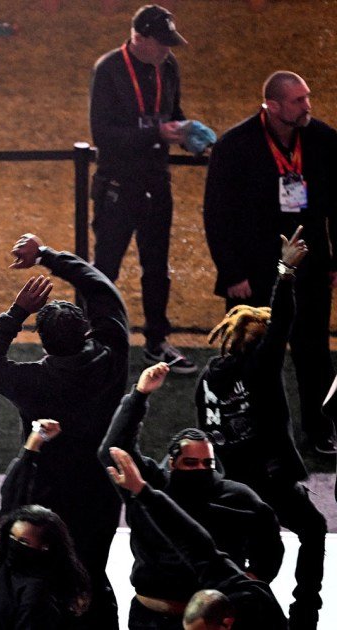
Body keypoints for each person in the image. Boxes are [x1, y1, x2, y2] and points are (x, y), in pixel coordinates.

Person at [0, 233, 127, 629]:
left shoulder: (31, 382)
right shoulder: (112, 355)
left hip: (47, 494)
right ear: (87, 331)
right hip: (101, 489)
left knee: (44, 577)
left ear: (43, 342)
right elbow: (100, 286)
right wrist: (46, 255)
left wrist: (17, 311)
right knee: (91, 572)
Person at [196, 228, 327, 629]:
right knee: (314, 529)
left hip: (227, 486)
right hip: (268, 482)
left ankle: (231, 613)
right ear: (259, 343)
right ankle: (304, 610)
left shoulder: (206, 378)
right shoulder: (262, 369)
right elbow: (284, 319)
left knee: (236, 554)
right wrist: (285, 270)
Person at [202, 70, 337, 455]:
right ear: (272, 106)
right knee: (248, 357)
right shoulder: (234, 146)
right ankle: (244, 431)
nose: (307, 105)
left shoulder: (324, 141)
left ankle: (320, 429)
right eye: (298, 100)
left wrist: (335, 260)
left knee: (314, 354)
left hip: (309, 268)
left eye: (307, 97)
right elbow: (217, 215)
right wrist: (231, 274)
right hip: (252, 273)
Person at [99, 363, 283, 629]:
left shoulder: (238, 498)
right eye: (191, 462)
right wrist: (139, 395)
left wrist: (250, 581)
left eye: (206, 464)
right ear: (173, 463)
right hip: (152, 618)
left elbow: (269, 545)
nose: (200, 469)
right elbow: (113, 450)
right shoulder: (148, 486)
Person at [89, 4, 196, 373]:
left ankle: (156, 340)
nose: (168, 50)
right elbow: (102, 135)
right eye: (162, 43)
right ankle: (95, 341)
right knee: (105, 269)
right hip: (118, 185)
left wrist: (188, 133)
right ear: (140, 39)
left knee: (157, 268)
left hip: (156, 181)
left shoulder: (168, 66)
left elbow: (173, 111)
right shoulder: (109, 69)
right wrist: (156, 132)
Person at [106, 447, 288, 630]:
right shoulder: (229, 581)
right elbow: (194, 542)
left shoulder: (260, 611)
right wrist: (143, 491)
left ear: (226, 624)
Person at [0, 419, 93, 628]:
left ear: (44, 547)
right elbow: (13, 495)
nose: (13, 544)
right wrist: (34, 443)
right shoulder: (7, 563)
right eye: (12, 537)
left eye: (22, 541)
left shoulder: (36, 594)